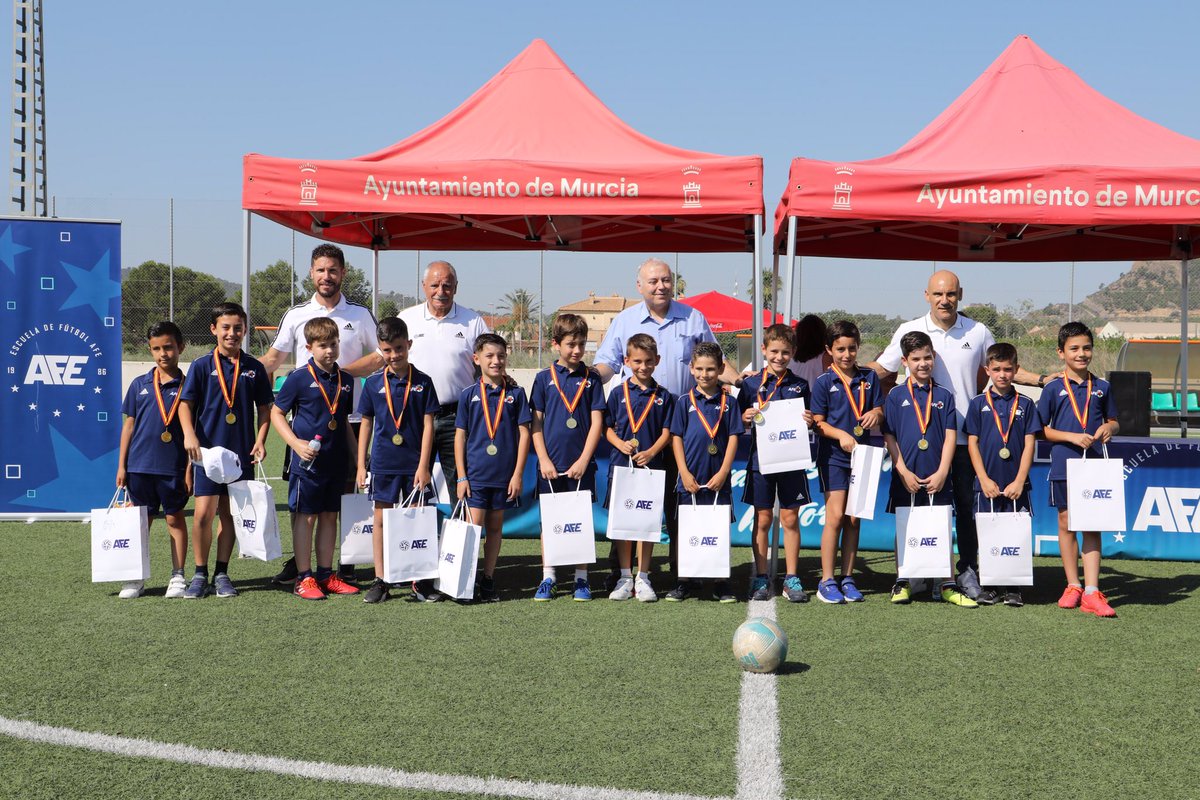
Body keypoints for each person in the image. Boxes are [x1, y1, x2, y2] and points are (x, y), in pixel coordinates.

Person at [869, 270, 1040, 599]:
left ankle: (968, 569)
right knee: (917, 509)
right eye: (937, 294)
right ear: (926, 295)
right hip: (924, 445)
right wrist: (855, 384)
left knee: (966, 508)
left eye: (950, 294)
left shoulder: (977, 331)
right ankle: (915, 573)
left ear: (959, 294)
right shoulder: (909, 330)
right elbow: (882, 370)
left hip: (966, 441)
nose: (944, 300)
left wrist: (1044, 378)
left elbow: (1002, 364)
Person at [593, 257, 738, 590]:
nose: (661, 286)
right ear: (640, 286)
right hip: (636, 428)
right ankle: (620, 573)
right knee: (630, 503)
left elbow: (717, 361)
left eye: (666, 280)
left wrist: (745, 381)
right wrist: (586, 378)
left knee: (678, 504)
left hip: (684, 426)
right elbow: (606, 364)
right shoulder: (625, 320)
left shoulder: (693, 317)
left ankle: (681, 573)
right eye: (654, 281)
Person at [261, 243, 380, 585]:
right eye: (320, 270)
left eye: (333, 270)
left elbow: (379, 357)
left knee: (342, 498)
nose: (326, 276)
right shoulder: (297, 313)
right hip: (306, 424)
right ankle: (302, 568)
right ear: (311, 274)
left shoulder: (359, 314)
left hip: (349, 418)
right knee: (305, 501)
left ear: (343, 273)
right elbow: (273, 359)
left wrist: (338, 376)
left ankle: (342, 564)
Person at [178, 301, 274, 599]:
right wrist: (189, 436)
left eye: (237, 328)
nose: (232, 333)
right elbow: (185, 404)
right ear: (213, 330)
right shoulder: (201, 366)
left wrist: (260, 440)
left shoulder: (254, 368)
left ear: (244, 330)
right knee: (203, 514)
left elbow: (266, 409)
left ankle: (222, 573)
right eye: (225, 328)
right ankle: (199, 573)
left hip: (239, 454)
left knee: (229, 514)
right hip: (206, 454)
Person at [881, 331, 976, 607]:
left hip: (938, 475)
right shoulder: (896, 396)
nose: (922, 363)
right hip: (906, 475)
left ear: (933, 357)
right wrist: (902, 471)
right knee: (905, 526)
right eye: (916, 359)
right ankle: (903, 581)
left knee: (942, 525)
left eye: (927, 357)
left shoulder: (945, 396)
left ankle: (946, 583)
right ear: (904, 361)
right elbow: (889, 437)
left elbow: (949, 436)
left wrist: (944, 470)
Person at [270, 317, 360, 600]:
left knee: (329, 517)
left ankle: (325, 574)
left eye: (333, 344)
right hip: (307, 463)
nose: (330, 351)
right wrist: (295, 444)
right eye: (323, 346)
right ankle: (303, 577)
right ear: (309, 347)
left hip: (335, 461)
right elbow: (276, 413)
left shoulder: (345, 379)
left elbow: (343, 421)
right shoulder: (298, 377)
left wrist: (358, 460)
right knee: (306, 518)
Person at [1036, 322, 1120, 618]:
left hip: (1094, 466)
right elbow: (1040, 430)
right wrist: (1071, 436)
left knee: (1091, 524)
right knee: (1066, 521)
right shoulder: (1053, 389)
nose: (1081, 354)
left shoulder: (1103, 387)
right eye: (1074, 348)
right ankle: (1073, 584)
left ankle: (1092, 591)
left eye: (1086, 348)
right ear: (1061, 353)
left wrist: (1109, 427)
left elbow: (1113, 420)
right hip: (1064, 463)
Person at [355, 317, 441, 605]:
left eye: (399, 349)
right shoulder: (373, 383)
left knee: (419, 522)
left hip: (414, 464)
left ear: (409, 345)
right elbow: (365, 423)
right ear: (381, 350)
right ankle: (382, 579)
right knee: (381, 520)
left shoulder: (424, 382)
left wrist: (424, 466)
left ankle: (420, 580)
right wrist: (360, 464)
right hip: (383, 463)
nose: (394, 356)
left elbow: (429, 425)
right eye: (388, 350)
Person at [530, 313, 606, 602]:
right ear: (556, 344)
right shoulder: (542, 379)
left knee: (580, 523)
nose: (577, 350)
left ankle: (581, 579)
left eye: (582, 344)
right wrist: (544, 460)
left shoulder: (592, 379)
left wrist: (584, 460)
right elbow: (535, 424)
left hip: (580, 465)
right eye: (571, 344)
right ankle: (548, 575)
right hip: (550, 465)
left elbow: (597, 422)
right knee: (549, 523)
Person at [736, 323, 813, 603]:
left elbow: (810, 420)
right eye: (774, 351)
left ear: (793, 352)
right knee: (764, 518)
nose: (779, 357)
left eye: (785, 352)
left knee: (791, 518)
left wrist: (810, 420)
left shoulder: (800, 385)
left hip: (791, 461)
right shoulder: (750, 384)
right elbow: (739, 419)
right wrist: (744, 418)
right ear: (763, 350)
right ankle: (761, 575)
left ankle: (791, 577)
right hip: (761, 461)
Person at [115, 320, 192, 599]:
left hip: (173, 467)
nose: (163, 354)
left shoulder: (189, 387)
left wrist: (189, 469)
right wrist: (122, 465)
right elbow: (129, 426)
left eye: (168, 347)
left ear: (180, 347)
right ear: (150, 350)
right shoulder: (139, 384)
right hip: (139, 466)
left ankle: (178, 576)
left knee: (174, 520)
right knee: (140, 524)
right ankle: (135, 578)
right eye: (156, 348)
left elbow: (191, 432)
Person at [400, 260, 490, 494]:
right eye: (435, 285)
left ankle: (462, 530)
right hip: (416, 416)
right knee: (415, 486)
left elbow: (488, 364)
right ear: (423, 286)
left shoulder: (473, 321)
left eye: (447, 286)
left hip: (458, 416)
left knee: (462, 486)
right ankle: (416, 532)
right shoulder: (407, 319)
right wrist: (345, 371)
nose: (441, 292)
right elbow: (383, 357)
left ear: (456, 287)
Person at [810, 320, 883, 604]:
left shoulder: (870, 377)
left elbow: (878, 408)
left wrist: (876, 414)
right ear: (829, 350)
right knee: (836, 516)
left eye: (852, 348)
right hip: (834, 457)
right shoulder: (823, 382)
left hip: (863, 455)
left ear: (858, 347)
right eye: (840, 349)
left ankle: (848, 577)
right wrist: (840, 434)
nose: (847, 354)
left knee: (855, 518)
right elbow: (818, 422)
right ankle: (827, 579)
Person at [455, 333, 532, 602]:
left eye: (501, 356)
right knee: (473, 527)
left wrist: (518, 474)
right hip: (475, 476)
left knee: (496, 526)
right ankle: (466, 579)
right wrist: (461, 476)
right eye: (489, 356)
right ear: (476, 359)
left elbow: (525, 434)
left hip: (503, 476)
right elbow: (460, 436)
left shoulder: (517, 394)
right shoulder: (468, 395)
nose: (496, 361)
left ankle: (488, 579)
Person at [964, 342, 1041, 607]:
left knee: (1014, 533)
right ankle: (990, 585)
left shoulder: (1027, 404)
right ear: (987, 370)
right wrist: (983, 479)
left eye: (1008, 369)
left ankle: (1013, 587)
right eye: (996, 369)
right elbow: (972, 443)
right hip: (986, 484)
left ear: (1016, 369)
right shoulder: (977, 404)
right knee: (988, 533)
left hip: (1016, 483)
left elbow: (1030, 443)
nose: (1002, 375)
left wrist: (1020, 480)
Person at [667, 342, 744, 602]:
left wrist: (724, 471)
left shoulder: (729, 403)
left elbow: (733, 438)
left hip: (717, 480)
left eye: (711, 369)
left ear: (721, 369)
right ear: (691, 368)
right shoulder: (683, 402)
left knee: (718, 530)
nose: (704, 374)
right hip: (689, 480)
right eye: (699, 368)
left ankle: (721, 581)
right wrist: (684, 473)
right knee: (687, 530)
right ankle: (684, 580)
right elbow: (675, 438)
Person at [603, 333, 674, 602]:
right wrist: (619, 443)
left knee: (646, 524)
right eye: (637, 362)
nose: (642, 367)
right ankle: (624, 576)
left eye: (648, 361)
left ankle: (644, 577)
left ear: (657, 360)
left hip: (651, 469)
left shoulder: (663, 396)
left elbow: (668, 431)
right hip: (621, 467)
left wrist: (652, 451)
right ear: (627, 361)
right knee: (624, 523)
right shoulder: (618, 392)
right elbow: (607, 428)